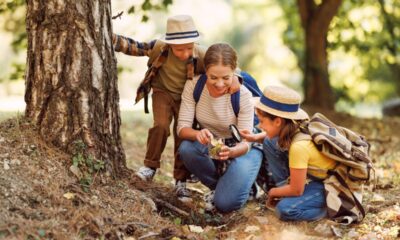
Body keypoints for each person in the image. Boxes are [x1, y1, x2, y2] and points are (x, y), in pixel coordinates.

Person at [112, 15, 207, 202]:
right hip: (162, 92)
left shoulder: (202, 55)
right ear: (170, 44)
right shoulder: (159, 47)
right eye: (180, 49)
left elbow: (223, 66)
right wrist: (109, 37)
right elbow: (135, 47)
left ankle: (181, 180)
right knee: (161, 126)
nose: (186, 53)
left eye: (189, 48)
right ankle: (150, 167)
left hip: (186, 99)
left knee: (182, 133)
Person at [177, 43, 263, 212]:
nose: (219, 84)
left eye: (226, 78)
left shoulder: (243, 94)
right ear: (205, 71)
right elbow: (182, 128)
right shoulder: (194, 86)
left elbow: (246, 142)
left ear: (234, 72)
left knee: (225, 205)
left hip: (244, 147)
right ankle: (219, 187)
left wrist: (232, 152)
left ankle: (245, 186)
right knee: (187, 148)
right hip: (213, 143)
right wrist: (197, 134)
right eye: (213, 77)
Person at [240, 85, 337, 221]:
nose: (259, 126)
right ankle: (285, 191)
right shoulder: (295, 127)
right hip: (311, 177)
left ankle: (327, 210)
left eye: (262, 121)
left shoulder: (299, 147)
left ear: (278, 121)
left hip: (327, 185)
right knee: (269, 141)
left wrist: (274, 192)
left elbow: (297, 190)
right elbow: (271, 136)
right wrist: (255, 137)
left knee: (285, 210)